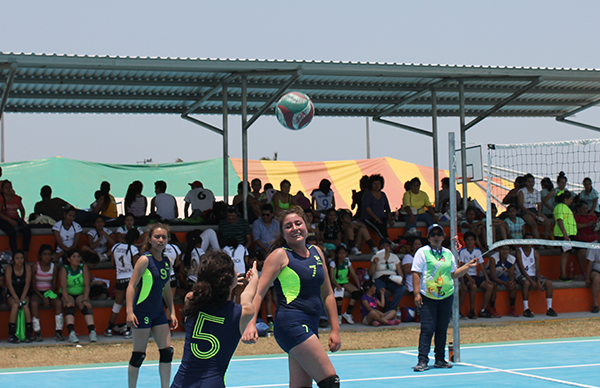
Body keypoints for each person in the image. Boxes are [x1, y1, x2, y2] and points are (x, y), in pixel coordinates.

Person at [241, 206, 341, 388]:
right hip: (290, 324)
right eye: (288, 226)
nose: (294, 228)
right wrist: (250, 323)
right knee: (330, 381)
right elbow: (259, 292)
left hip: (310, 324)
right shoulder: (280, 255)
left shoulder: (317, 252)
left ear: (306, 225)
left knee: (302, 386)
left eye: (298, 223)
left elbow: (327, 293)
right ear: (283, 233)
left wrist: (335, 329)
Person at [170, 252, 259, 388]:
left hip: (180, 383)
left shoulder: (191, 300)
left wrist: (228, 284)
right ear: (229, 280)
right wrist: (254, 280)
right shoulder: (241, 313)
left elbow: (203, 292)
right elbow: (248, 295)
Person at [412, 224, 478, 372]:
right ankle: (422, 359)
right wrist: (417, 294)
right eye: (433, 234)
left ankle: (440, 359)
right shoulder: (422, 252)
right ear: (428, 237)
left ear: (442, 237)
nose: (436, 237)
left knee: (441, 329)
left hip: (446, 296)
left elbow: (453, 274)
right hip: (428, 296)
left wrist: (467, 267)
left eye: (439, 234)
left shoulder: (448, 253)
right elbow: (416, 273)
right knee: (427, 329)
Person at [126, 223, 178, 388]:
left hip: (158, 313)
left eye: (164, 237)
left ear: (168, 240)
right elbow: (131, 286)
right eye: (157, 237)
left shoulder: (167, 261)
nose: (160, 240)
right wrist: (129, 311)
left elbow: (167, 289)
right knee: (139, 355)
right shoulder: (144, 260)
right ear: (150, 239)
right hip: (142, 312)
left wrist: (172, 312)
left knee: (167, 351)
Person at [105, 229, 140, 338]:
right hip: (131, 280)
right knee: (132, 305)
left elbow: (112, 263)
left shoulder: (115, 247)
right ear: (135, 239)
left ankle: (109, 328)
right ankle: (129, 330)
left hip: (120, 278)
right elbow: (136, 267)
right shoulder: (133, 249)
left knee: (117, 304)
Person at [59, 248, 98, 343]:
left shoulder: (83, 267)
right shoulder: (65, 269)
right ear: (68, 259)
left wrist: (85, 299)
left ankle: (92, 331)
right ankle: (71, 333)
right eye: (74, 257)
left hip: (80, 293)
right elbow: (63, 287)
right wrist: (67, 300)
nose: (77, 259)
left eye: (78, 256)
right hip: (68, 294)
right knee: (69, 306)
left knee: (86, 306)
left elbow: (87, 285)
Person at [515, 233, 557, 317]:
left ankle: (549, 308)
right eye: (528, 239)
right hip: (522, 275)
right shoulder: (519, 252)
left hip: (533, 275)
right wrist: (532, 282)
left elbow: (537, 269)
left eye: (531, 239)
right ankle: (526, 309)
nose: (529, 241)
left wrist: (538, 281)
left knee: (549, 283)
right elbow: (522, 269)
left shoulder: (535, 253)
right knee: (526, 283)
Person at [30, 244, 64, 341]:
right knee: (33, 303)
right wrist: (42, 297)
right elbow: (33, 285)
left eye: (49, 254)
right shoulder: (35, 267)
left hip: (49, 292)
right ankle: (37, 332)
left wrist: (48, 297)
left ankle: (59, 331)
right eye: (44, 254)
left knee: (58, 303)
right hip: (37, 292)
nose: (47, 257)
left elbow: (54, 286)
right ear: (40, 255)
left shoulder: (54, 267)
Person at [458, 232, 495, 318]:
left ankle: (483, 310)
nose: (470, 242)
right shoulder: (462, 252)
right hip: (465, 275)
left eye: (471, 240)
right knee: (473, 286)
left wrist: (487, 278)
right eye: (468, 240)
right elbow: (461, 267)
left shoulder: (477, 251)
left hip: (474, 276)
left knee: (490, 286)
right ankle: (472, 310)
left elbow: (482, 266)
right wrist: (468, 279)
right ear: (465, 241)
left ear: (474, 241)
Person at [368, 238, 405, 314]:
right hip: (379, 278)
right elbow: (370, 273)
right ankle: (389, 312)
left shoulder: (394, 257)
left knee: (400, 290)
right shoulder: (376, 257)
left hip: (392, 278)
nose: (386, 248)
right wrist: (374, 263)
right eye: (383, 246)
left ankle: (388, 310)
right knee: (380, 290)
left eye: (387, 246)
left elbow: (400, 272)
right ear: (380, 247)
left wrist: (400, 280)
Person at [330, 245, 362, 325]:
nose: (342, 255)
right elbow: (332, 278)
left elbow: (354, 275)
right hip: (336, 283)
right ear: (337, 255)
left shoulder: (347, 262)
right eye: (340, 253)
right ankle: (339, 315)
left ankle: (347, 313)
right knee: (339, 294)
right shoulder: (333, 263)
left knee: (357, 292)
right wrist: (337, 285)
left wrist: (359, 286)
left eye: (344, 253)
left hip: (345, 282)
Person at [6, 249, 33, 343]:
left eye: (21, 258)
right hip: (12, 294)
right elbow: (9, 285)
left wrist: (22, 297)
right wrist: (16, 298)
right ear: (13, 259)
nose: (19, 260)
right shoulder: (9, 269)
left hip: (24, 293)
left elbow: (28, 283)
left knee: (25, 306)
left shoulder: (27, 268)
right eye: (17, 258)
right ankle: (12, 334)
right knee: (15, 306)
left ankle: (29, 334)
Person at [0, 180, 32, 258]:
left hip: (16, 218)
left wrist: (22, 218)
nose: (8, 189)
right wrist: (9, 220)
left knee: (27, 231)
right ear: (2, 189)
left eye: (10, 187)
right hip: (4, 219)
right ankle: (15, 255)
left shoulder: (17, 198)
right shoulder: (1, 199)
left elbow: (22, 209)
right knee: (12, 233)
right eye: (6, 187)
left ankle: (25, 255)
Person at [518, 173, 551, 240]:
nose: (531, 183)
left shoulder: (536, 192)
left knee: (547, 223)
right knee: (533, 224)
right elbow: (521, 206)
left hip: (535, 212)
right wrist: (532, 214)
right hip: (525, 211)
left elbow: (539, 204)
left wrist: (538, 214)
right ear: (525, 182)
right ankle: (537, 240)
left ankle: (545, 240)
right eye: (529, 181)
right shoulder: (521, 191)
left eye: (532, 181)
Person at [488, 245, 518, 317]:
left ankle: (512, 308)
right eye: (502, 249)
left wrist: (511, 281)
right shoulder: (493, 258)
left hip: (500, 275)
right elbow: (492, 276)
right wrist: (505, 283)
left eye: (506, 249)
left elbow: (511, 274)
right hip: (488, 275)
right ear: (499, 250)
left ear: (509, 251)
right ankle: (492, 308)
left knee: (513, 285)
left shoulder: (512, 259)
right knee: (494, 285)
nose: (504, 251)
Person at [554, 190, 577, 281]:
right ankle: (563, 275)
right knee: (565, 254)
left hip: (567, 235)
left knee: (567, 253)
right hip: (564, 235)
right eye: (570, 199)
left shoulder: (564, 207)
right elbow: (559, 220)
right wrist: (565, 234)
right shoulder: (561, 207)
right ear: (565, 199)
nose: (571, 201)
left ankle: (563, 274)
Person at [362, 174, 393, 241]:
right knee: (379, 229)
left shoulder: (383, 194)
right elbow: (367, 208)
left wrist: (390, 219)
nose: (377, 185)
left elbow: (387, 208)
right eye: (374, 184)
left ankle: (387, 242)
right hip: (369, 217)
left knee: (384, 229)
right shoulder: (367, 194)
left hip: (381, 217)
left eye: (378, 183)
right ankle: (388, 242)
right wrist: (376, 218)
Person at [574, 202, 598, 280]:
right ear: (578, 209)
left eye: (586, 208)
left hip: (594, 242)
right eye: (583, 208)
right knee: (583, 252)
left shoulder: (592, 217)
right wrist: (588, 224)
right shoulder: (575, 217)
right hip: (581, 242)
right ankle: (583, 272)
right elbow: (576, 226)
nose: (585, 210)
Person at [223, 236, 249, 303]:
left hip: (230, 273)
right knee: (239, 294)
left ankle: (229, 311)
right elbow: (246, 261)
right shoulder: (243, 248)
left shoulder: (224, 249)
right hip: (241, 272)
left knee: (230, 293)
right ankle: (237, 311)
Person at [585, 239, 600, 313]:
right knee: (597, 279)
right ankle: (595, 305)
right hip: (596, 270)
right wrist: (587, 278)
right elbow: (589, 263)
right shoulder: (593, 245)